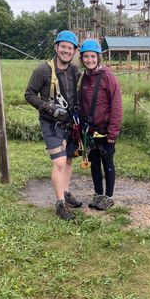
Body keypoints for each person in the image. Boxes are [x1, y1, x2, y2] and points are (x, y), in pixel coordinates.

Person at [25, 30, 82, 220]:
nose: (66, 51)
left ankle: (65, 193)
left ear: (74, 51)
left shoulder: (74, 71)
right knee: (58, 162)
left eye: (70, 48)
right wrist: (46, 107)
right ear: (56, 47)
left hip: (70, 122)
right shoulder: (42, 70)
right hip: (51, 123)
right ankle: (60, 205)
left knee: (68, 160)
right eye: (63, 47)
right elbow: (29, 94)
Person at [78, 39, 123, 210]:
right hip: (89, 131)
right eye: (86, 57)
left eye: (93, 56)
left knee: (108, 162)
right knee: (94, 163)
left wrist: (113, 132)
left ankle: (109, 196)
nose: (90, 60)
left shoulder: (108, 76)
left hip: (105, 130)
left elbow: (117, 105)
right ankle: (98, 194)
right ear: (82, 58)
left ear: (98, 57)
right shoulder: (83, 77)